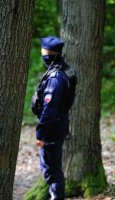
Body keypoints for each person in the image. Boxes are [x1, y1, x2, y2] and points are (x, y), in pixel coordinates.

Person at [31, 36, 77, 200]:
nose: (42, 53)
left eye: (43, 51)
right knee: (54, 167)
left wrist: (40, 133)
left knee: (51, 169)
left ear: (48, 53)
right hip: (58, 123)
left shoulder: (56, 78)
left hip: (52, 127)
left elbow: (50, 109)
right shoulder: (66, 69)